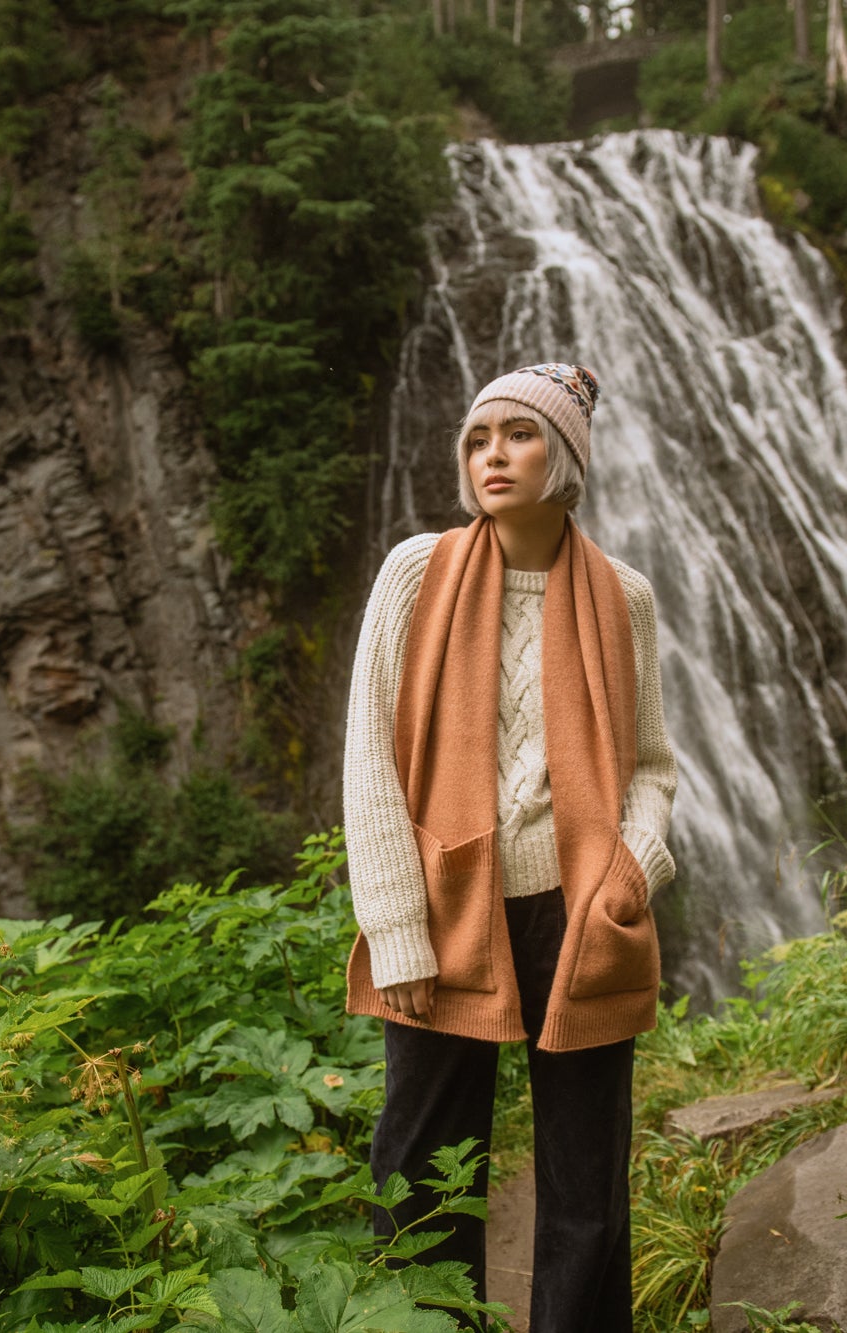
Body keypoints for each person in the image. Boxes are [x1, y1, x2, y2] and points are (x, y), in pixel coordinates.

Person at [342, 362, 679, 1331]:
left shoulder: (624, 596)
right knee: (417, 1176)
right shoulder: (415, 571)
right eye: (476, 438)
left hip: (581, 911)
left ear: (564, 454)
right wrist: (396, 930)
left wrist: (631, 867)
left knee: (586, 1190)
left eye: (517, 435)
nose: (492, 453)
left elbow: (650, 764)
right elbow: (370, 757)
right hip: (448, 908)